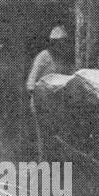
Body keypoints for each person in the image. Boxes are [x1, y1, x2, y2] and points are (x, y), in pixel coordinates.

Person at [26, 26, 71, 158]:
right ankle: (43, 164)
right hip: (41, 102)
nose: (60, 46)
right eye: (57, 43)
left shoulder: (63, 59)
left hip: (56, 103)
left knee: (57, 136)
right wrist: (36, 99)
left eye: (63, 43)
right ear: (53, 43)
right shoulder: (43, 56)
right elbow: (31, 82)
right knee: (43, 136)